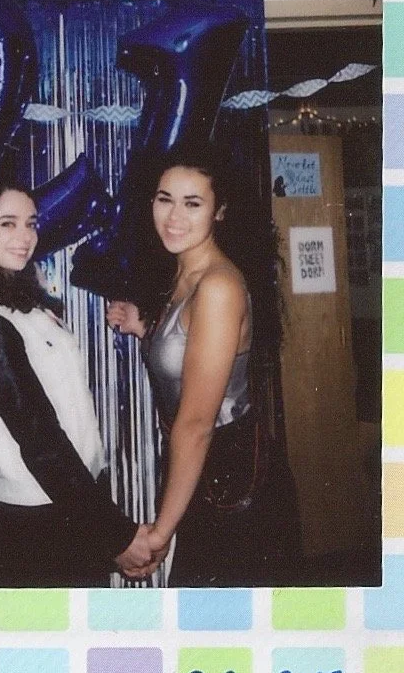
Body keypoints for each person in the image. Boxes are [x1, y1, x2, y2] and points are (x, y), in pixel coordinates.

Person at [107, 144, 299, 586]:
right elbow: (189, 353)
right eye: (165, 199)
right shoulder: (183, 272)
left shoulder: (217, 286)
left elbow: (196, 424)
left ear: (220, 211)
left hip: (230, 478)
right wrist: (146, 328)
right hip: (205, 468)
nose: (174, 217)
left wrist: (160, 534)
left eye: (192, 203)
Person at [0, 174, 152, 587]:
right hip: (38, 516)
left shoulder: (14, 295)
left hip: (69, 499)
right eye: (7, 224)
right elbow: (41, 442)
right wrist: (117, 537)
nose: (25, 237)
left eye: (31, 223)